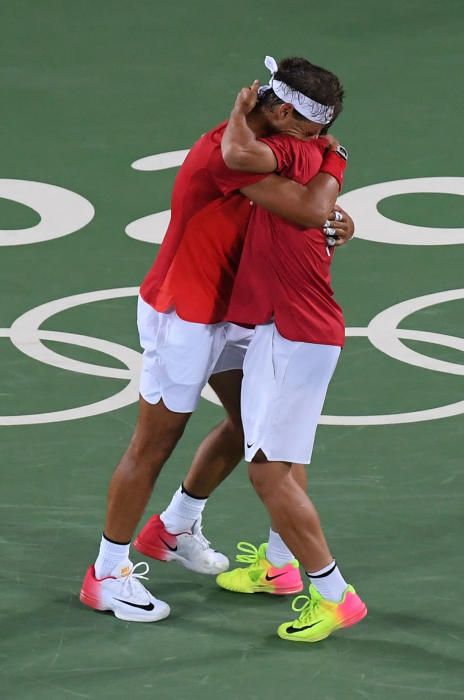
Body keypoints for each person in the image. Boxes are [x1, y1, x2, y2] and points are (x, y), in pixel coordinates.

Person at [80, 56, 354, 623]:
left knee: (251, 427)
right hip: (183, 316)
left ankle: (174, 527)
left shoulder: (272, 141)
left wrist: (340, 220)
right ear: (280, 112)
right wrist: (335, 170)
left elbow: (313, 211)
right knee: (153, 444)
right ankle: (106, 573)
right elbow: (306, 206)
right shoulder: (230, 153)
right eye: (312, 129)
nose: (320, 140)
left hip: (235, 314)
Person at [211, 57, 367, 643]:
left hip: (292, 333)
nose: (263, 103)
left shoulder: (291, 155)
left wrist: (236, 112)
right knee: (287, 456)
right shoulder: (319, 154)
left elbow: (232, 157)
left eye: (273, 99)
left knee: (269, 472)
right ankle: (279, 566)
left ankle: (333, 594)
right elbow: (316, 207)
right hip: (304, 330)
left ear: (288, 115)